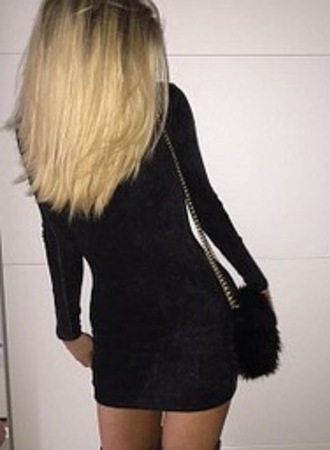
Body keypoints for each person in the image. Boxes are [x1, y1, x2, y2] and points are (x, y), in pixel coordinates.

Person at [6, 1, 271, 449]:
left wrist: (254, 280)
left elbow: (203, 202)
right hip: (119, 332)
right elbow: (59, 238)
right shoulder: (37, 129)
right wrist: (67, 328)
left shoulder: (165, 106)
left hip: (197, 325)